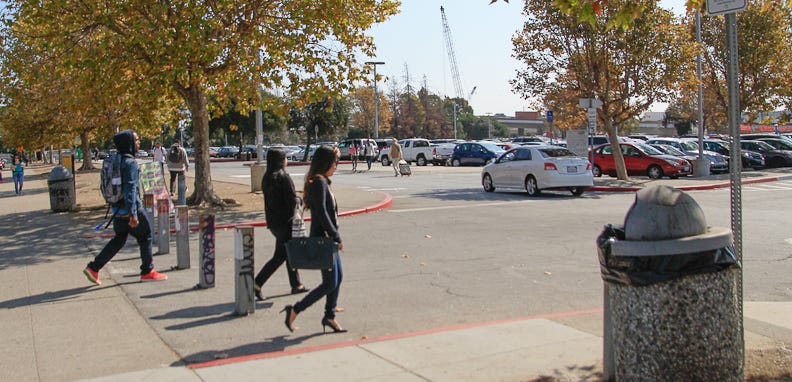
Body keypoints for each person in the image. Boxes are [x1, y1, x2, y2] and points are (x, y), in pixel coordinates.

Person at [83, 130, 168, 285]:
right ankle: (147, 270)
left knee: (119, 239)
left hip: (117, 210)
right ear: (128, 143)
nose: (138, 142)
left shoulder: (116, 161)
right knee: (146, 236)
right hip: (131, 210)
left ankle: (94, 267)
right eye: (136, 140)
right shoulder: (130, 163)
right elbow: (131, 189)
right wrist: (133, 214)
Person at [283, 145, 346, 334]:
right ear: (326, 162)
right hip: (323, 240)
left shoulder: (322, 181)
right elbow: (322, 214)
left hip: (328, 240)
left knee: (337, 278)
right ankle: (295, 309)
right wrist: (336, 235)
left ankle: (330, 316)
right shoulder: (319, 183)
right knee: (329, 283)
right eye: (335, 162)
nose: (336, 165)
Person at [254, 148, 308, 301]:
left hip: (273, 222)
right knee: (280, 256)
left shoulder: (267, 177)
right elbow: (292, 201)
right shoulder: (283, 177)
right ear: (281, 160)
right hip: (286, 222)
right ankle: (257, 283)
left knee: (287, 253)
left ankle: (296, 284)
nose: (287, 160)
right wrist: (299, 199)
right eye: (285, 158)